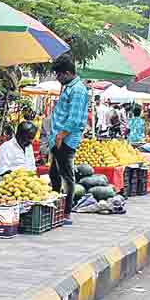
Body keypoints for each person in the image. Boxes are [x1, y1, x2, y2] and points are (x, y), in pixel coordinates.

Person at [48, 55, 88, 212]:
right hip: (59, 139)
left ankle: (65, 212)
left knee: (66, 176)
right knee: (55, 175)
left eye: (59, 74)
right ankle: (56, 208)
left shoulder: (77, 90)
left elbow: (75, 119)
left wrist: (60, 136)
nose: (58, 78)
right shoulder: (69, 88)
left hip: (65, 140)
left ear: (67, 73)